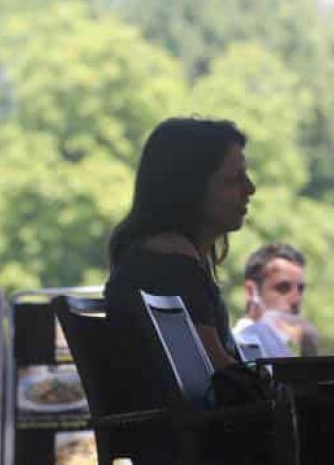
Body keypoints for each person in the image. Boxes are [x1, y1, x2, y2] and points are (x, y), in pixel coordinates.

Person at [103, 117, 266, 464]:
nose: (249, 189)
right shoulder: (169, 265)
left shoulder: (153, 256)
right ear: (190, 188)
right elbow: (214, 374)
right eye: (233, 179)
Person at [232, 242, 334, 358]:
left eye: (300, 289)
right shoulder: (244, 342)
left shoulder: (279, 344)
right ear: (251, 291)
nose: (296, 299)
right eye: (283, 288)